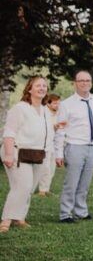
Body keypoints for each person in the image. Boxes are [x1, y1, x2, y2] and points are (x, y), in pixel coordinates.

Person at [54, 70, 93, 223]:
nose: (85, 83)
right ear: (75, 83)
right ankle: (65, 213)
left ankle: (81, 211)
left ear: (91, 83)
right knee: (71, 182)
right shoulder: (66, 104)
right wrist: (58, 153)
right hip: (75, 146)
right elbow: (60, 130)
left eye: (87, 80)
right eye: (81, 81)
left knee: (85, 182)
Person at [2, 76, 54, 232]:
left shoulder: (45, 110)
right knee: (22, 186)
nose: (42, 88)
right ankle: (6, 220)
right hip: (17, 151)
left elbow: (44, 132)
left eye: (44, 86)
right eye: (38, 85)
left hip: (38, 154)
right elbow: (9, 132)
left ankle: (20, 218)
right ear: (29, 89)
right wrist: (9, 155)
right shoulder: (20, 108)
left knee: (29, 187)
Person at [33, 93, 62, 197]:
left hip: (54, 144)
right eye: (55, 103)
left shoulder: (59, 114)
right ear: (48, 104)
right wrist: (52, 128)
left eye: (58, 103)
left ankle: (46, 189)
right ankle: (41, 190)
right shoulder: (42, 112)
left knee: (52, 168)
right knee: (45, 168)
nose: (57, 105)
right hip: (43, 144)